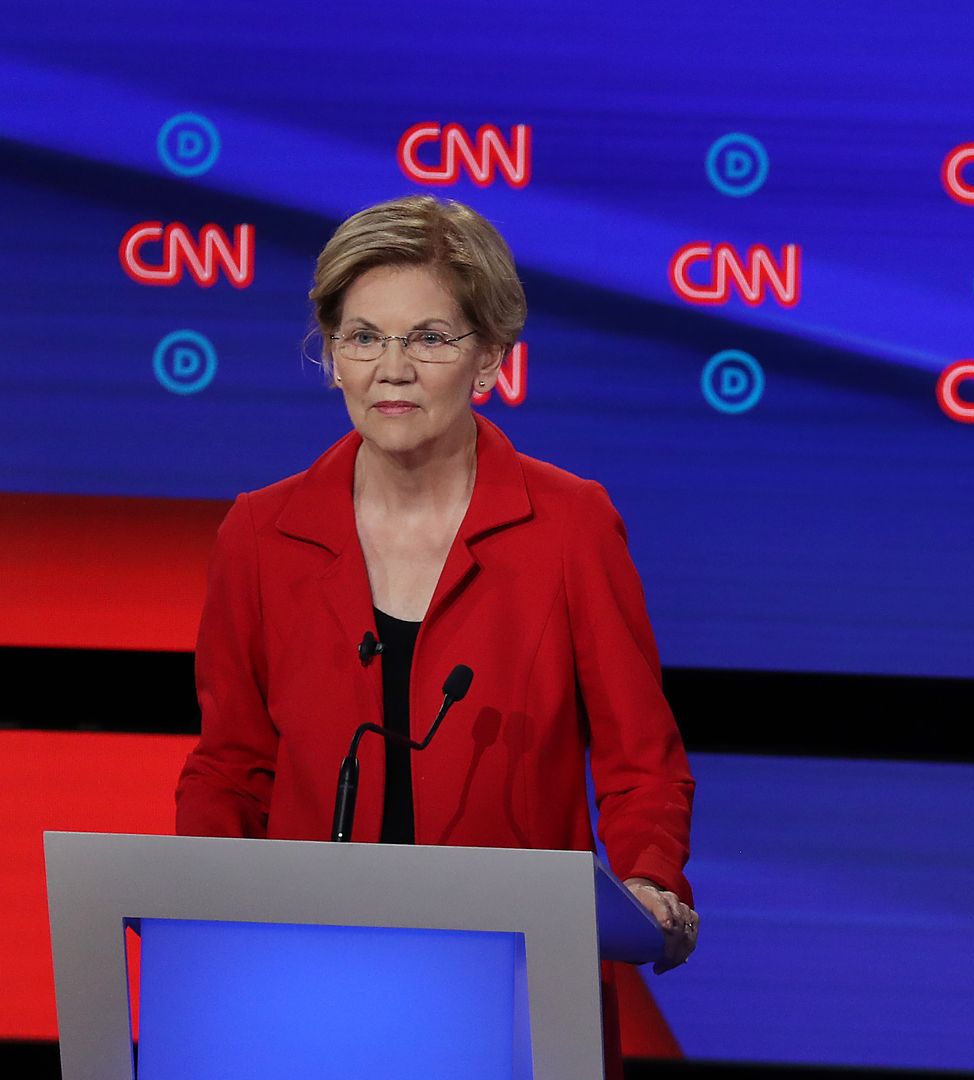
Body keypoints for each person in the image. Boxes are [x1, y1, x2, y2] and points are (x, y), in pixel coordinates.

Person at [175, 195, 697, 1064]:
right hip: (307, 980)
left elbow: (641, 757)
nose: (393, 368)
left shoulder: (569, 526)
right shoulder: (261, 534)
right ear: (332, 358)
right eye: (364, 337)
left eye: (429, 338)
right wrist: (197, 914)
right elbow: (230, 763)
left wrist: (649, 881)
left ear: (488, 359)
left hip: (515, 982)